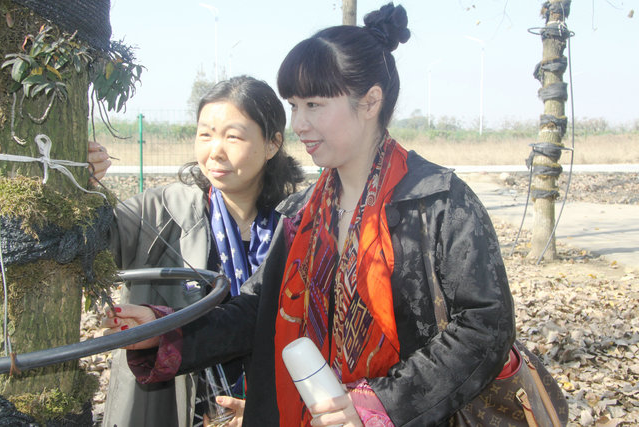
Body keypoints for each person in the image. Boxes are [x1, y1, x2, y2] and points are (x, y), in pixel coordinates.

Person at [102, 3, 516, 426]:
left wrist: (380, 404)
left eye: (314, 105)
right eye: (294, 105)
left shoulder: (436, 202)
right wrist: (165, 331)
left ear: (370, 101)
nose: (298, 124)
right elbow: (255, 311)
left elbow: (485, 326)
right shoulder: (301, 214)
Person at [92, 76, 304, 427]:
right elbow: (92, 245)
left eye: (233, 137)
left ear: (272, 144)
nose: (215, 151)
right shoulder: (158, 212)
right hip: (176, 410)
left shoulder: (298, 225)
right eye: (205, 134)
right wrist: (84, 188)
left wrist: (261, 411)